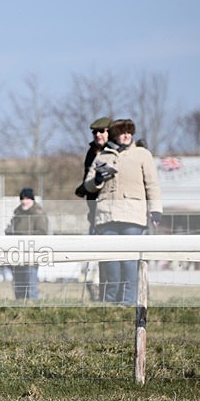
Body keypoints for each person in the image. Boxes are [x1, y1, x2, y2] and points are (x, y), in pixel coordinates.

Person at [84, 119, 162, 305]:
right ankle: (111, 302)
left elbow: (152, 184)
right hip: (106, 216)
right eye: (122, 132)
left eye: (129, 132)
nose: (126, 136)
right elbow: (88, 184)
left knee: (129, 262)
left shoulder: (142, 154)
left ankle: (128, 302)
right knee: (110, 262)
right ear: (115, 135)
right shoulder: (102, 156)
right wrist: (97, 180)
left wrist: (156, 209)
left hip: (132, 216)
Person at [76, 117, 112, 301]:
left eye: (102, 131)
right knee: (99, 257)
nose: (98, 135)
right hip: (96, 212)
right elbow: (87, 178)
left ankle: (114, 294)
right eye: (95, 132)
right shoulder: (92, 152)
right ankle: (101, 295)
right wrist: (84, 187)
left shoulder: (114, 153)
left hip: (115, 212)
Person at [6, 188, 48, 300]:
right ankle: (19, 306)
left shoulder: (38, 214)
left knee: (31, 284)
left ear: (32, 199)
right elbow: (11, 229)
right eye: (22, 198)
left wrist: (24, 237)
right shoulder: (17, 214)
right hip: (16, 254)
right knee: (18, 285)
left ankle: (33, 307)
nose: (24, 201)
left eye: (27, 198)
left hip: (31, 255)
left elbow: (42, 233)